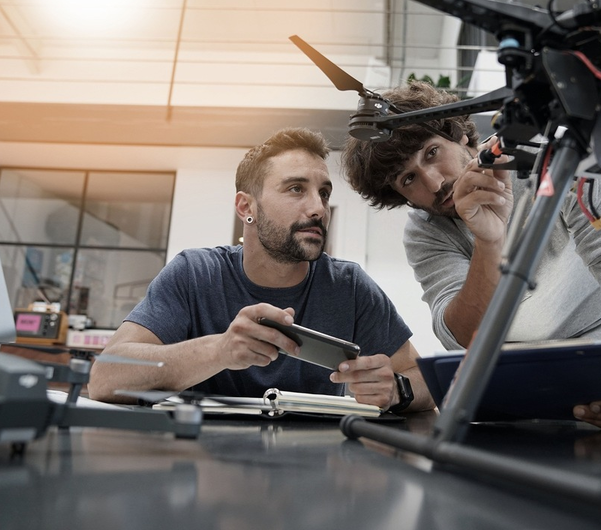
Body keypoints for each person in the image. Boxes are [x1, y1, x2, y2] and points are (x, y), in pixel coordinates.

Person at [341, 81, 601, 430]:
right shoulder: (426, 231)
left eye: (432, 153)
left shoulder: (555, 162)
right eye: (408, 179)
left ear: (460, 135)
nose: (433, 183)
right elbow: (461, 335)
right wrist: (489, 241)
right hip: (507, 374)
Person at [89, 127, 433, 414]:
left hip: (312, 461)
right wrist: (219, 351)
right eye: (296, 189)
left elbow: (424, 383)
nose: (319, 208)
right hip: (204, 459)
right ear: (246, 207)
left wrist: (396, 389)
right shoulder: (195, 274)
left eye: (324, 193)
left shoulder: (349, 286)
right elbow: (104, 379)